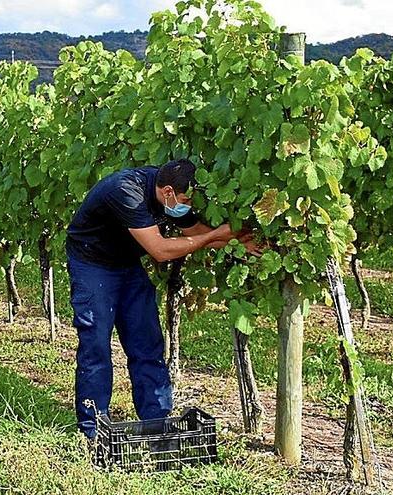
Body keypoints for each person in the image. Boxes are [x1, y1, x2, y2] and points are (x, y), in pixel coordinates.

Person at [66, 158, 258, 439]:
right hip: (92, 264)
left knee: (147, 341)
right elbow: (160, 250)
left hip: (126, 264)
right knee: (95, 344)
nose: (187, 207)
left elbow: (197, 234)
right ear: (168, 193)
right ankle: (93, 429)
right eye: (184, 201)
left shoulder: (173, 192)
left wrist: (240, 240)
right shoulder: (126, 192)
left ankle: (157, 422)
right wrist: (217, 235)